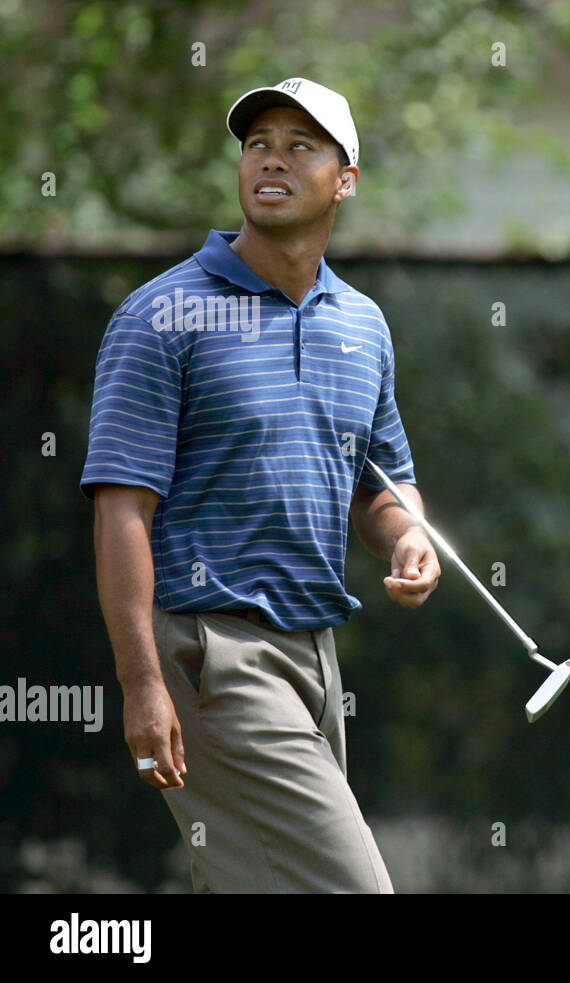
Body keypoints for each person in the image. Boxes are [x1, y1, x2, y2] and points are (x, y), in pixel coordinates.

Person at [81, 78, 441, 892]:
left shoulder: (362, 323)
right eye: (258, 144)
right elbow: (121, 511)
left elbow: (381, 485)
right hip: (213, 653)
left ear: (345, 178)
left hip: (316, 657)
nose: (272, 160)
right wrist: (140, 682)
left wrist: (408, 535)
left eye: (301, 146)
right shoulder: (162, 315)